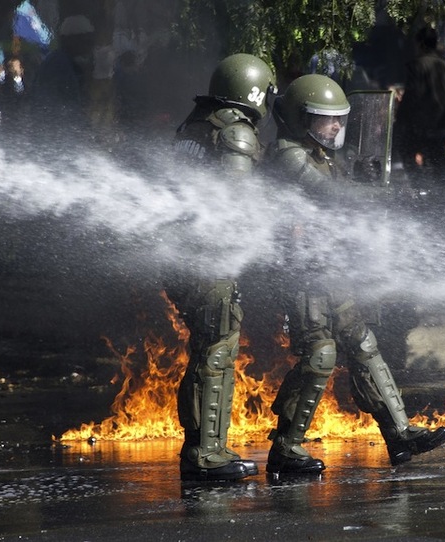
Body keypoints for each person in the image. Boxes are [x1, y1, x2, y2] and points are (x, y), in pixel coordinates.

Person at [265, 73, 445, 474]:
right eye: (325, 119)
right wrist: (384, 194)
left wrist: (364, 181)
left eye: (340, 119)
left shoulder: (319, 154)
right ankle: (286, 449)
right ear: (301, 120)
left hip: (328, 269)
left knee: (362, 343)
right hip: (301, 275)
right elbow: (332, 198)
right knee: (320, 354)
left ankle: (400, 434)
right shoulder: (289, 155)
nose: (335, 127)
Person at [168, 53, 275, 481]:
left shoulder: (194, 125)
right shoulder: (236, 132)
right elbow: (236, 200)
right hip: (210, 258)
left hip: (182, 257)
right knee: (217, 351)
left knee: (204, 350)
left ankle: (201, 448)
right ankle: (208, 455)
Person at [393, 26, 445, 189]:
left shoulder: (417, 65)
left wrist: (400, 120)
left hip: (420, 127)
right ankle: (440, 198)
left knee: (407, 154)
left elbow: (413, 96)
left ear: (420, 43)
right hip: (440, 126)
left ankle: (420, 192)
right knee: (439, 166)